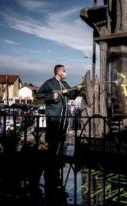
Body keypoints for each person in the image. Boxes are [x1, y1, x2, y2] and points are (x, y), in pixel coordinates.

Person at [36, 64, 80, 204]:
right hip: (53, 116)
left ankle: (55, 159)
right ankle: (44, 158)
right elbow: (38, 94)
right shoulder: (49, 83)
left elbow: (71, 95)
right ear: (58, 71)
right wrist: (52, 96)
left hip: (63, 117)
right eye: (64, 70)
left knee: (60, 139)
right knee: (49, 138)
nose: (65, 71)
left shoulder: (64, 83)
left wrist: (77, 90)